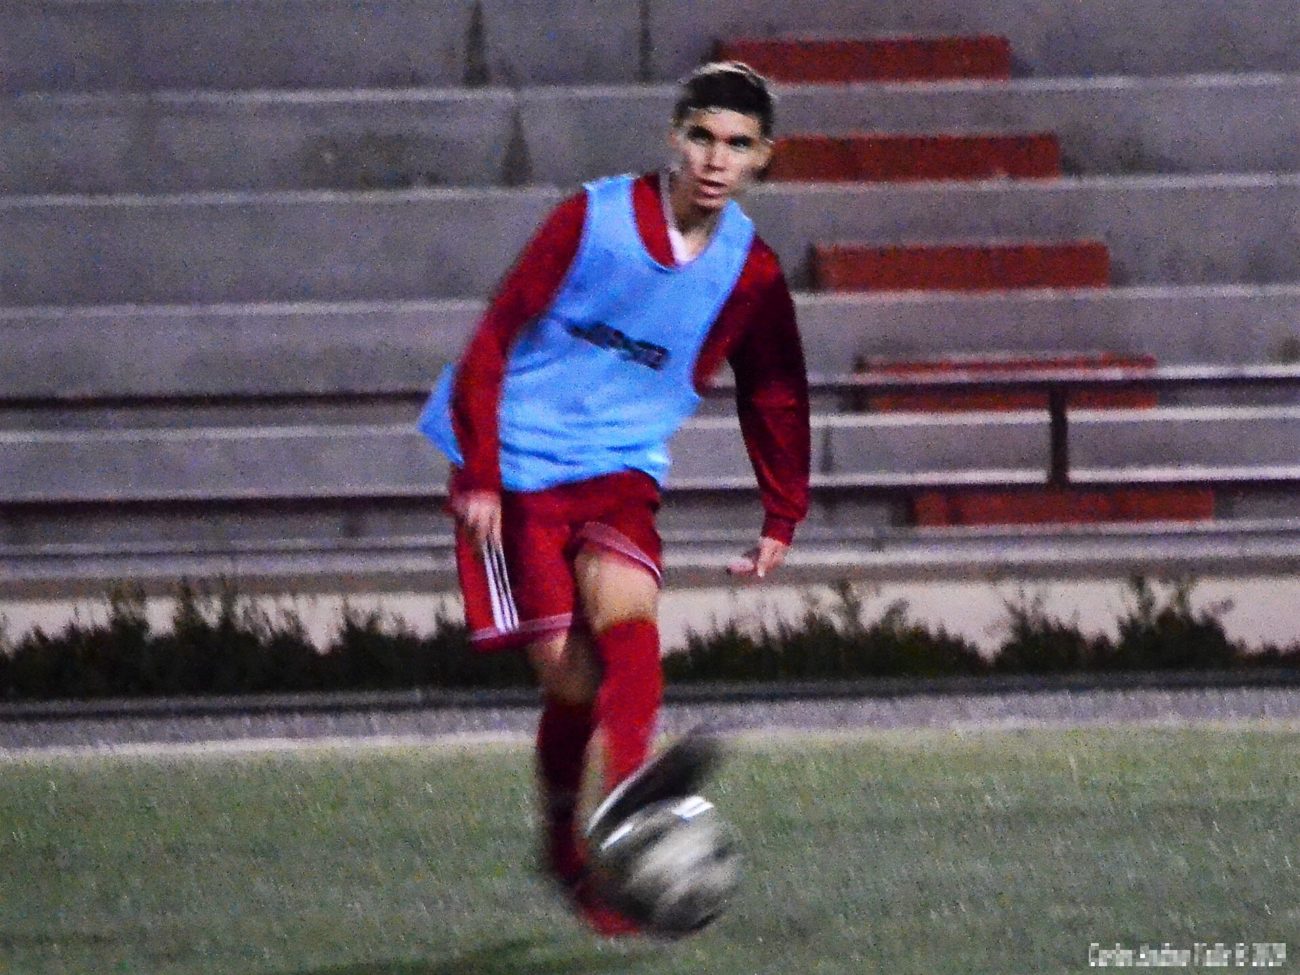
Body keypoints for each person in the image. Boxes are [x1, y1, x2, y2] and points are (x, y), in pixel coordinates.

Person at [418, 61, 810, 935]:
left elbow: (775, 386)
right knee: (571, 683)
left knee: (629, 610)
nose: (716, 158)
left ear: (763, 158)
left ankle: (627, 794)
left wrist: (782, 508)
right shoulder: (590, 219)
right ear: (675, 137)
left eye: (738, 144)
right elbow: (495, 332)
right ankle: (564, 845)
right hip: (514, 466)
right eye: (702, 136)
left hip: (619, 467)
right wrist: (478, 470)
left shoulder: (749, 270)